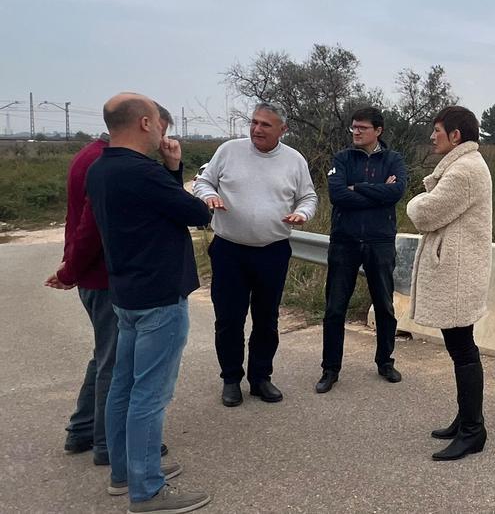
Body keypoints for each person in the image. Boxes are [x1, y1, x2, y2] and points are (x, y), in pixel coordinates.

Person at [86, 93, 212, 512]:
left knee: (124, 385)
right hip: (159, 296)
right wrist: (175, 169)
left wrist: (169, 171)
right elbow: (196, 212)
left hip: (126, 294)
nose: (163, 130)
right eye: (160, 122)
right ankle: (147, 490)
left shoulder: (101, 167)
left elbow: (164, 210)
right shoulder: (142, 172)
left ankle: (124, 473)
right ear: (144, 123)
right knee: (150, 394)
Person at [47, 108, 173, 467]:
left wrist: (72, 268)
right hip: (107, 277)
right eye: (162, 130)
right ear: (145, 124)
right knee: (116, 364)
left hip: (98, 274)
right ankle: (108, 444)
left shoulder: (91, 156)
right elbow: (92, 229)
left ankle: (83, 429)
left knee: (105, 356)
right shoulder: (107, 165)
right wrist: (71, 270)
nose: (163, 140)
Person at [192, 103, 317, 407]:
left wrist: (302, 213)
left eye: (265, 125)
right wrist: (208, 195)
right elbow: (204, 181)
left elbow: (308, 197)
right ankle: (231, 379)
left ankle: (261, 378)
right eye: (254, 122)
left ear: (282, 130)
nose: (257, 129)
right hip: (229, 250)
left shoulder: (294, 160)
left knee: (267, 319)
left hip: (272, 252)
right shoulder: (229, 151)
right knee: (229, 319)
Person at [406, 106, 492, 461]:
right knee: (461, 349)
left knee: (463, 350)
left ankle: (473, 430)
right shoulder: (466, 166)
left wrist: (413, 201)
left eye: (437, 130)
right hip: (459, 271)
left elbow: (426, 214)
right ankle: (467, 419)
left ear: (456, 135)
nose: (432, 136)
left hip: (459, 274)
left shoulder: (464, 171)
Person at [316, 107, 408, 393]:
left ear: (378, 131)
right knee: (335, 308)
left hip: (380, 241)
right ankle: (330, 369)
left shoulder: (394, 159)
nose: (356, 132)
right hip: (345, 241)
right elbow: (337, 195)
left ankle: (385, 362)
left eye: (362, 128)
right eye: (353, 127)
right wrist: (376, 190)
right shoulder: (342, 158)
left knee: (384, 305)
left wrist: (357, 188)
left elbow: (396, 192)